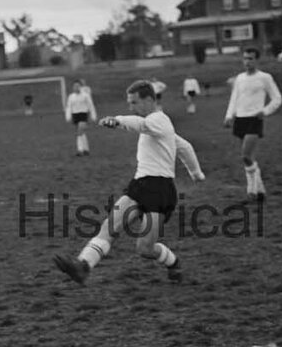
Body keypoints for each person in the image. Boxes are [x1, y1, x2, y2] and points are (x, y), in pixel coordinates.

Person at [53, 80, 205, 287]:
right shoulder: (157, 126)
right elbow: (184, 146)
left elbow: (142, 125)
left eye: (134, 103)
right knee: (109, 227)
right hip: (139, 186)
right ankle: (83, 266)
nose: (131, 107)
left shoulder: (158, 120)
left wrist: (117, 120)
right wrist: (196, 173)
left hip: (160, 192)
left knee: (144, 248)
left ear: (150, 100)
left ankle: (173, 262)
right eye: (129, 103)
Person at [224, 46, 282, 202]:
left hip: (254, 120)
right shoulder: (240, 78)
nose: (247, 61)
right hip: (240, 119)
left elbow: (277, 98)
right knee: (249, 157)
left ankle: (251, 189)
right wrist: (229, 116)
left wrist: (265, 111)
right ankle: (260, 189)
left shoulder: (265, 78)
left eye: (250, 58)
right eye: (245, 58)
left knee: (245, 155)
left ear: (257, 60)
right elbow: (234, 98)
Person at [64, 79, 97, 155]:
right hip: (75, 115)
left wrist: (93, 116)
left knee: (79, 132)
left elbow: (91, 106)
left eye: (77, 86)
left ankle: (80, 150)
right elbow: (68, 107)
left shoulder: (86, 95)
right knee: (81, 133)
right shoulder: (71, 96)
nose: (76, 87)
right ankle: (86, 149)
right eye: (74, 86)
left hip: (83, 115)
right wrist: (68, 116)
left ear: (81, 87)